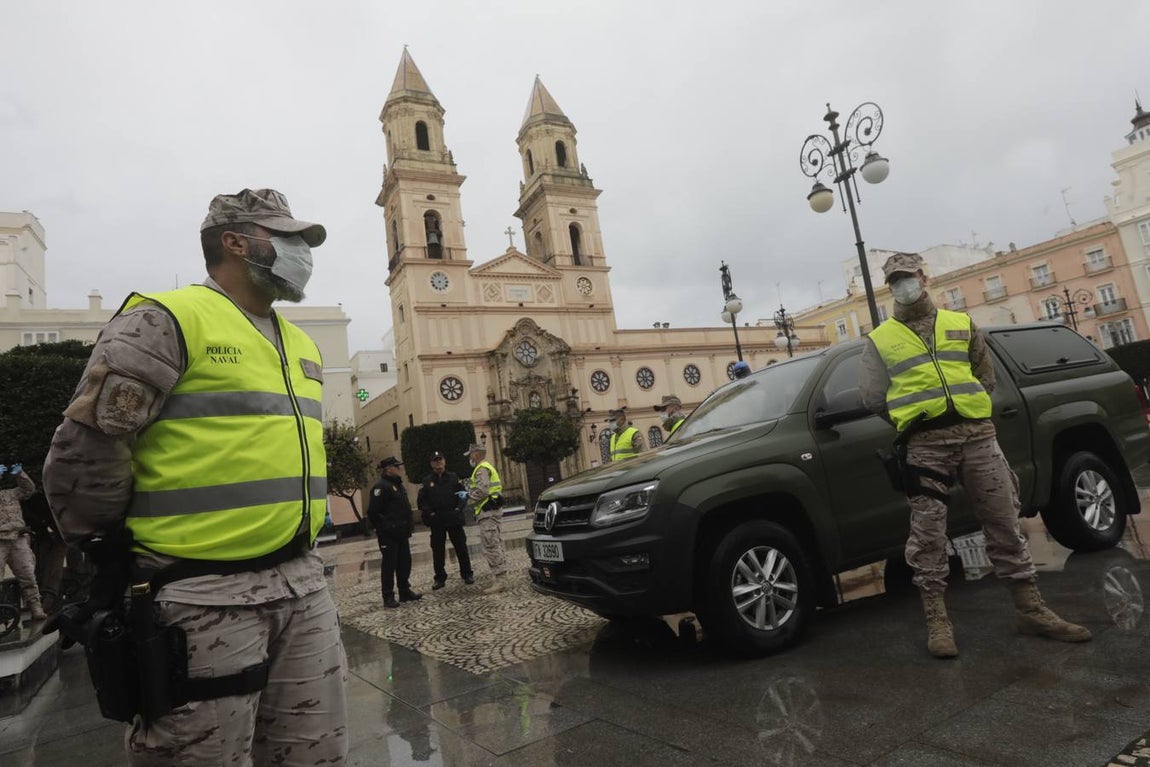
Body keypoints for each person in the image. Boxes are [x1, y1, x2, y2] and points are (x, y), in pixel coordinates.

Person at [41, 188, 348, 764]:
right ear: (236, 241)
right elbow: (85, 452)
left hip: (302, 585)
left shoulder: (299, 339)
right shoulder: (163, 320)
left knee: (317, 753)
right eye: (288, 239)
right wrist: (114, 555)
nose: (301, 252)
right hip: (202, 597)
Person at [860, 251, 1091, 659]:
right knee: (928, 533)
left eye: (909, 277)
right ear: (889, 287)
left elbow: (985, 375)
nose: (904, 286)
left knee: (1004, 518)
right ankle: (937, 619)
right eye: (896, 281)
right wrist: (915, 418)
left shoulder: (960, 323)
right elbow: (874, 397)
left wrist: (964, 408)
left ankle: (1030, 609)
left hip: (977, 436)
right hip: (925, 444)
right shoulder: (881, 340)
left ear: (923, 277)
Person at [367, 456, 422, 608]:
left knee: (404, 563)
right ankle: (388, 596)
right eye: (397, 466)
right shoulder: (380, 487)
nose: (400, 469)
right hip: (389, 535)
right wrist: (385, 527)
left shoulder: (398, 485)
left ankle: (404, 591)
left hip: (402, 532)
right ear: (389, 469)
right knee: (389, 565)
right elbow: (373, 512)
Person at [417, 451, 474, 590]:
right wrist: (430, 513)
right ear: (431, 464)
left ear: (444, 461)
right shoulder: (426, 481)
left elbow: (463, 495)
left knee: (461, 547)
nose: (438, 462)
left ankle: (467, 574)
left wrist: (458, 509)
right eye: (435, 460)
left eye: (440, 459)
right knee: (437, 550)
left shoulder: (454, 477)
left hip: (453, 518)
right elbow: (422, 501)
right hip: (437, 520)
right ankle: (439, 578)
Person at [0, 463, 46, 620]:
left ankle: (36, 607)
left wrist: (19, 473)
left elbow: (28, 490)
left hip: (17, 538)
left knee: (27, 574)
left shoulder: (11, 493)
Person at [463, 443, 507, 594]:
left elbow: (483, 490)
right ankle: (501, 576)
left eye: (470, 455)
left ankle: (500, 580)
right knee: (496, 542)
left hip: (487, 512)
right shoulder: (488, 466)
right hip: (492, 510)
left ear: (475, 454)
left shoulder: (481, 469)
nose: (469, 458)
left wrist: (468, 497)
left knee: (490, 544)